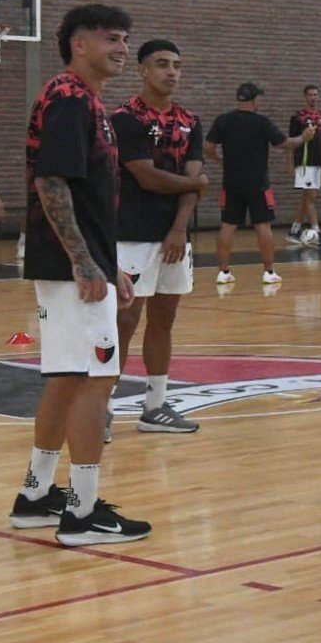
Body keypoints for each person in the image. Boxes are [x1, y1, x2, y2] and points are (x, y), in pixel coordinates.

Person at [8, 3, 151, 546]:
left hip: (77, 263)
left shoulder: (85, 102)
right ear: (78, 44)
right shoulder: (69, 98)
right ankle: (83, 512)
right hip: (71, 267)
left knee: (67, 377)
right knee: (97, 378)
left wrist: (106, 261)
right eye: (111, 37)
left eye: (124, 37)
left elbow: (88, 198)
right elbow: (52, 184)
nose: (121, 47)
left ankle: (36, 494)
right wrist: (85, 261)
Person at [111, 39, 208, 437]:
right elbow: (146, 175)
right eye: (162, 64)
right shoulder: (125, 118)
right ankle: (100, 406)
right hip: (131, 235)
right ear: (142, 70)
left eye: (177, 65)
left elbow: (194, 183)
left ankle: (155, 406)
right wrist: (194, 182)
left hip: (173, 238)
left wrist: (179, 227)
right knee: (124, 320)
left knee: (164, 320)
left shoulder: (190, 121)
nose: (171, 72)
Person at [205, 83, 313, 286]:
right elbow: (284, 143)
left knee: (227, 225)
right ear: (254, 100)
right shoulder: (262, 122)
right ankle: (269, 272)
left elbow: (208, 147)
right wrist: (302, 137)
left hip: (232, 183)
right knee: (263, 225)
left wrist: (220, 161)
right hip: (258, 184)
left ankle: (223, 272)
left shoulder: (223, 121)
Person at [286, 84, 321, 245]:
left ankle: (294, 231)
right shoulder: (298, 117)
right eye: (310, 94)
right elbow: (290, 142)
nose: (313, 97)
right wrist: (290, 162)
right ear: (305, 96)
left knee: (307, 197)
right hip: (304, 163)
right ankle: (317, 231)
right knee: (311, 198)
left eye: (315, 94)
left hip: (317, 163)